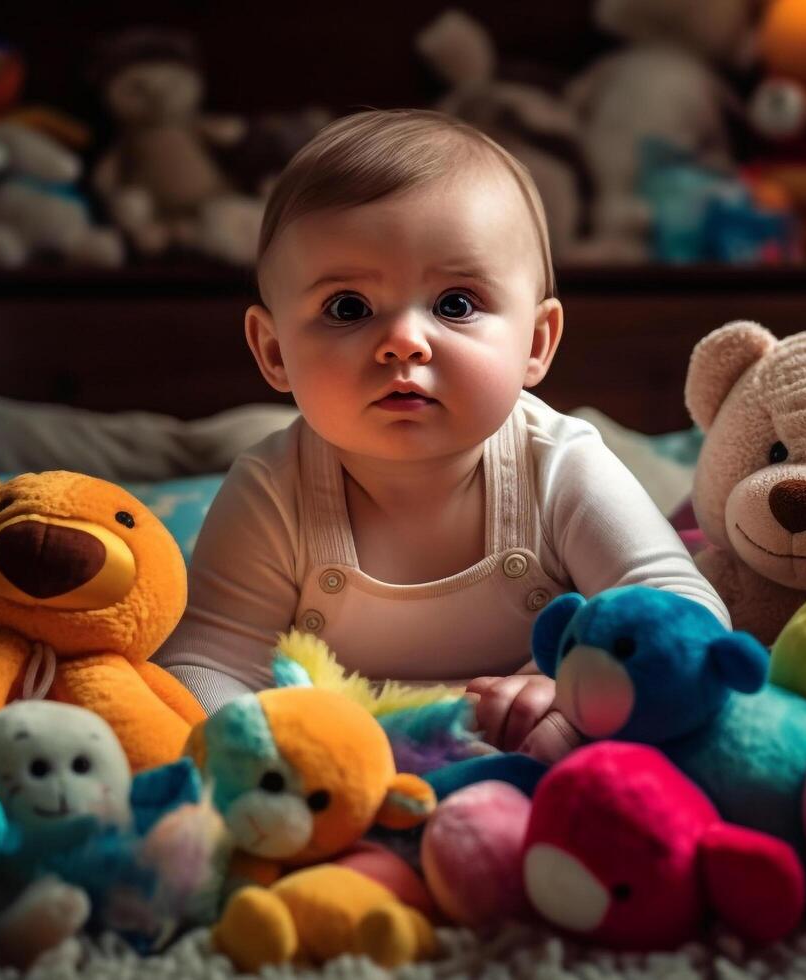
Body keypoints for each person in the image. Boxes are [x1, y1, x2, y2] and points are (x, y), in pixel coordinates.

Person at [153, 109, 727, 761]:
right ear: (274, 350)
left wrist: (568, 683)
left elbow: (684, 616)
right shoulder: (271, 491)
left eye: (455, 304)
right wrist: (265, 751)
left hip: (526, 759)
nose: (403, 340)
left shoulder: (559, 464)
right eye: (348, 308)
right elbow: (201, 664)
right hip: (341, 775)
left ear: (535, 343)